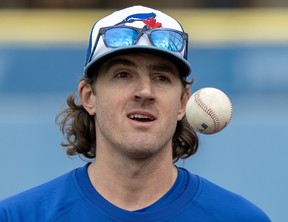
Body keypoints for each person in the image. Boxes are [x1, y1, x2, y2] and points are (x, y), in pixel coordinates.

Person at [0, 5, 270, 222]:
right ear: (89, 96)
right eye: (123, 75)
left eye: (162, 78)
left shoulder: (238, 217)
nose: (144, 91)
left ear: (182, 102)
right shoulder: (19, 216)